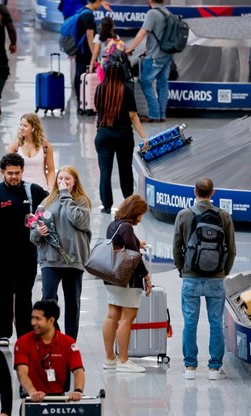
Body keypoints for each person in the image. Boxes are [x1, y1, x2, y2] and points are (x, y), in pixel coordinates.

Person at [0, 153, 48, 347]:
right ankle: (3, 334)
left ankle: (25, 335)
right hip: (2, 254)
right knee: (4, 295)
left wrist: (42, 224)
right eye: (9, 173)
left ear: (23, 171)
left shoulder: (34, 191)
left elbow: (50, 207)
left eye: (17, 173)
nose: (14, 177)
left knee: (25, 296)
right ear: (2, 173)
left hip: (27, 254)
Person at [172, 177, 236, 380]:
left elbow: (177, 247)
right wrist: (224, 271)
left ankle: (190, 367)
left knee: (190, 322)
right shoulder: (224, 216)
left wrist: (183, 270)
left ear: (194, 191)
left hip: (191, 277)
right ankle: (214, 369)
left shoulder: (184, 215)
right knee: (216, 323)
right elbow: (232, 249)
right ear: (213, 192)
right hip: (216, 279)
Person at [30, 166, 91, 341]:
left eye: (67, 179)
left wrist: (65, 195)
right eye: (60, 179)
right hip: (50, 259)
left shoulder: (81, 201)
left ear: (75, 182)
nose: (63, 182)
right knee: (48, 299)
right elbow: (33, 233)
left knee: (73, 302)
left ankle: (70, 340)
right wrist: (37, 232)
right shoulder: (46, 202)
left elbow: (79, 221)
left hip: (73, 259)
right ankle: (53, 336)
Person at [101, 195, 152, 373]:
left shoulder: (114, 224)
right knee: (127, 318)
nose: (142, 217)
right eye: (141, 214)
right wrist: (146, 276)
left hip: (111, 276)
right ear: (135, 212)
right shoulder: (127, 227)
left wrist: (138, 243)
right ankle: (123, 360)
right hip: (127, 279)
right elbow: (134, 257)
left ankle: (109, 359)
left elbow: (122, 244)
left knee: (111, 315)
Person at [94, 62, 148, 214]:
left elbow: (97, 111)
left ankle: (106, 206)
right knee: (125, 171)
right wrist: (144, 137)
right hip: (123, 136)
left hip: (103, 136)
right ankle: (128, 203)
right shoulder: (127, 90)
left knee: (105, 172)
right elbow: (132, 115)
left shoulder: (100, 88)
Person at [14, 300, 85, 402]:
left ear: (51, 320)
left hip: (58, 399)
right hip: (32, 398)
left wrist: (78, 390)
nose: (33, 323)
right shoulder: (22, 342)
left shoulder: (68, 343)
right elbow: (22, 372)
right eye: (32, 318)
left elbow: (78, 370)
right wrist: (32, 392)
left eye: (38, 319)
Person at [125, 0, 172, 123]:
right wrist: (147, 48)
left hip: (154, 56)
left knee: (145, 82)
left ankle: (154, 115)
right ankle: (162, 115)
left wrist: (130, 48)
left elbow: (142, 32)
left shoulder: (152, 13)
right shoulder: (167, 12)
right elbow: (161, 36)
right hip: (166, 55)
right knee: (162, 84)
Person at [6, 112, 55, 191]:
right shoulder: (14, 147)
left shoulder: (46, 147)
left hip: (41, 189)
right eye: (21, 125)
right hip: (20, 190)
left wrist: (50, 189)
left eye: (25, 126)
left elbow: (51, 171)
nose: (21, 128)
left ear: (33, 128)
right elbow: (9, 171)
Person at [72, 0, 104, 109]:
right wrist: (93, 53)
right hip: (85, 50)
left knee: (79, 73)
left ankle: (81, 99)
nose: (101, 5)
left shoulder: (82, 10)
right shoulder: (89, 16)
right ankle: (82, 99)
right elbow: (90, 36)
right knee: (82, 73)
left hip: (80, 49)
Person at [89, 16, 123, 82]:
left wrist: (91, 65)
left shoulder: (98, 37)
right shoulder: (117, 38)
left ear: (101, 26)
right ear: (113, 26)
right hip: (114, 66)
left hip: (101, 66)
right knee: (112, 85)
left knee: (102, 84)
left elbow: (95, 52)